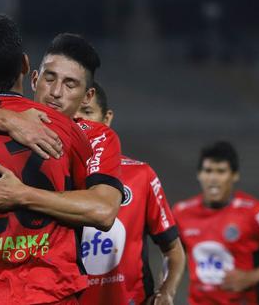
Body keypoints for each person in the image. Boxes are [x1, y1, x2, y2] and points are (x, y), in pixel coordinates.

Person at [0, 14, 121, 304]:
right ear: (29, 70)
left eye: (70, 84)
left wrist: (21, 194)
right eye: (50, 78)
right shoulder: (68, 133)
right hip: (50, 292)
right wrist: (10, 120)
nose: (56, 93)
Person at [75, 82, 185, 305]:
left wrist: (167, 291)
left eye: (87, 112)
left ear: (106, 119)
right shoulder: (50, 177)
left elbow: (174, 251)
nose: (80, 123)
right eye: (72, 115)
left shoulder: (141, 175)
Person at [172, 141, 259, 305]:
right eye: (208, 171)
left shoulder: (256, 213)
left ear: (234, 175)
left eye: (221, 171)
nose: (213, 178)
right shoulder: (181, 212)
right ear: (199, 174)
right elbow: (174, 256)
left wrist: (251, 277)